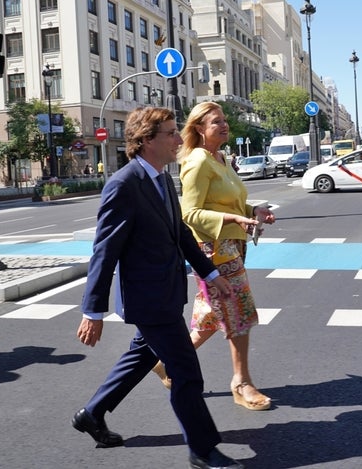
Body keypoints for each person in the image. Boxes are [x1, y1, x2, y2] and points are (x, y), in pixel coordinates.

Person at [72, 106, 244, 469]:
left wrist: (212, 276)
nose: (178, 138)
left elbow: (180, 234)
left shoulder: (164, 179)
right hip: (148, 300)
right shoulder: (123, 185)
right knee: (186, 372)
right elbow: (105, 251)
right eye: (169, 132)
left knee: (142, 356)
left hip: (166, 293)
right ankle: (203, 450)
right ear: (147, 140)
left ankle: (93, 413)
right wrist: (93, 311)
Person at [150, 101, 275, 412]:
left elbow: (229, 203)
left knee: (211, 317)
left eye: (224, 120)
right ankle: (241, 382)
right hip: (213, 250)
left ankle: (165, 363)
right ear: (199, 129)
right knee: (240, 313)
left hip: (232, 246)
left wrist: (251, 211)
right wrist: (234, 221)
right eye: (215, 122)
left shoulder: (220, 159)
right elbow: (189, 214)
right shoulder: (197, 161)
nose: (224, 125)